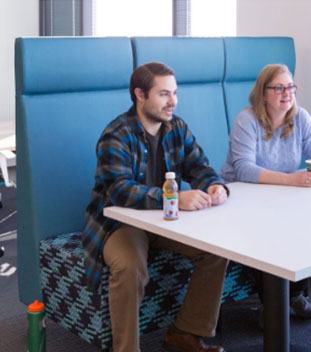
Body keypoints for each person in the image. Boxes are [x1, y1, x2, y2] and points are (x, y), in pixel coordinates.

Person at [83, 62, 229, 352]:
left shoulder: (177, 127)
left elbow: (199, 166)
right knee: (129, 267)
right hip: (121, 223)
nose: (172, 101)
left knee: (216, 251)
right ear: (140, 94)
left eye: (174, 93)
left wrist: (215, 185)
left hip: (167, 220)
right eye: (164, 94)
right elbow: (120, 191)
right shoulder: (116, 134)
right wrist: (174, 199)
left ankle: (184, 333)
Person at [220, 64, 311, 324]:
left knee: (307, 223)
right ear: (263, 93)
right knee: (264, 232)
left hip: (278, 196)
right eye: (279, 88)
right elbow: (244, 169)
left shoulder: (301, 118)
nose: (287, 93)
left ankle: (295, 294)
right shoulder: (246, 120)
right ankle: (271, 304)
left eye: (291, 87)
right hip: (240, 197)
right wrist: (292, 180)